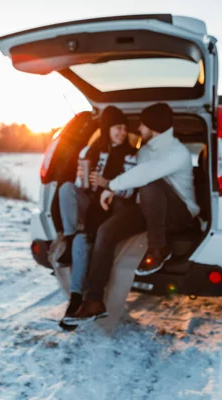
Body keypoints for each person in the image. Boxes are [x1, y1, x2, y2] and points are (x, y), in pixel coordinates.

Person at [64, 103, 199, 325]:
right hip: (149, 209)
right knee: (106, 231)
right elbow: (133, 176)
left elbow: (146, 174)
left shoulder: (177, 152)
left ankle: (159, 248)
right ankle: (94, 301)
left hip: (179, 214)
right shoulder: (144, 151)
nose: (140, 129)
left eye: (143, 125)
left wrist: (111, 186)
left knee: (150, 185)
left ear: (154, 126)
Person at [49, 106, 137, 328]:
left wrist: (108, 184)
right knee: (66, 188)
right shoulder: (92, 150)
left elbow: (131, 191)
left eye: (124, 128)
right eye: (117, 127)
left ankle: (76, 299)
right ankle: (68, 237)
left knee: (83, 241)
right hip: (89, 202)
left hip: (111, 206)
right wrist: (84, 179)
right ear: (107, 129)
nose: (122, 132)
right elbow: (81, 185)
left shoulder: (130, 155)